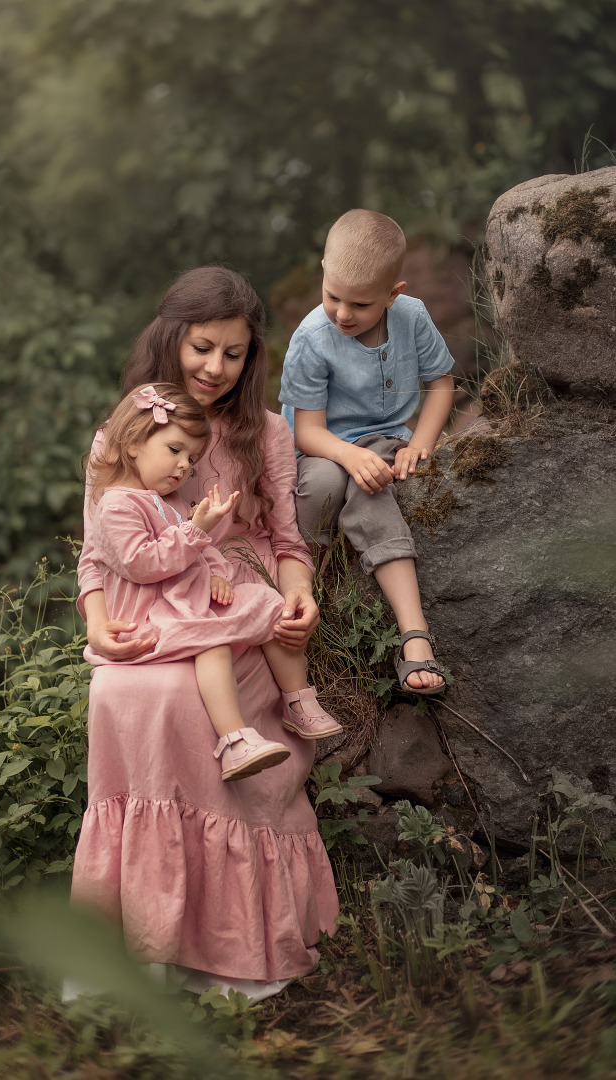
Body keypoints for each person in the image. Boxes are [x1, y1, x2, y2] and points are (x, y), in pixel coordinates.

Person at [70, 267, 339, 1002]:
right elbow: (95, 557)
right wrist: (98, 624)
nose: (216, 368)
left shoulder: (266, 433)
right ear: (171, 339)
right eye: (202, 348)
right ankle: (140, 950)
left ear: (252, 359)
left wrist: (300, 595)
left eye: (233, 354)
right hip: (148, 608)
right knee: (130, 694)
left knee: (189, 698)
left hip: (234, 596)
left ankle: (225, 950)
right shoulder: (123, 433)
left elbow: (287, 541)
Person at [85, 381, 342, 782]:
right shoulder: (117, 504)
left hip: (188, 600)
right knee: (214, 644)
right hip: (150, 614)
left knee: (268, 603)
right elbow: (141, 563)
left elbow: (207, 553)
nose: (185, 466)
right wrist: (195, 529)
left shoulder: (170, 502)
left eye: (192, 458)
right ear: (133, 444)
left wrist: (219, 576)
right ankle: (235, 740)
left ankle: (298, 701)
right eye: (175, 451)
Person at [279, 209, 455, 695]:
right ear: (322, 271)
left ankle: (413, 634)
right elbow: (306, 432)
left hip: (384, 438)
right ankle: (301, 585)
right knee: (331, 480)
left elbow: (441, 383)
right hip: (320, 447)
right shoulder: (312, 339)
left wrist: (419, 443)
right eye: (332, 296)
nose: (341, 313)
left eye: (359, 304)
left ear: (393, 294)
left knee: (370, 484)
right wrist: (351, 457)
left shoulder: (412, 317)